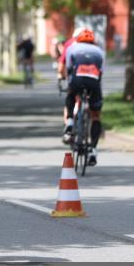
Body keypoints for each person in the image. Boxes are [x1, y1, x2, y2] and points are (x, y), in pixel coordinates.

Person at [57, 27, 104, 166]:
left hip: (77, 79)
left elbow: (68, 69)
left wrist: (67, 81)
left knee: (71, 95)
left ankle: (70, 121)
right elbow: (101, 71)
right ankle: (93, 150)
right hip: (94, 81)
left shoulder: (72, 47)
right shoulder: (99, 51)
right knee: (96, 115)